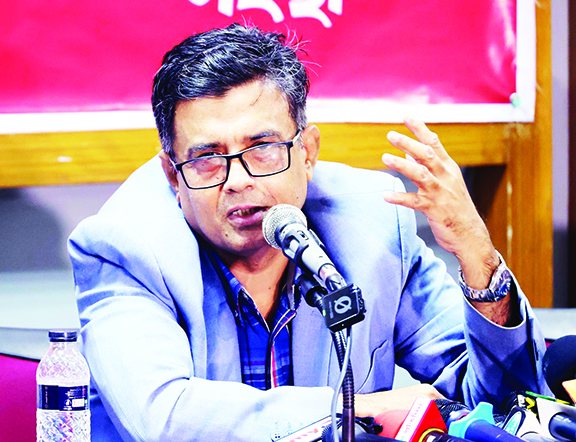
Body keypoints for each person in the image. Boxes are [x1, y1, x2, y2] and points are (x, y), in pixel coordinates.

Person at [68, 23, 549, 442]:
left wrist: (477, 255)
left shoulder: (372, 225)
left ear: (307, 152)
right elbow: (163, 418)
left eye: (262, 147)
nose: (238, 180)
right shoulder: (124, 246)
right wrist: (355, 411)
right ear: (173, 176)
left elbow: (505, 401)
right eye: (208, 157)